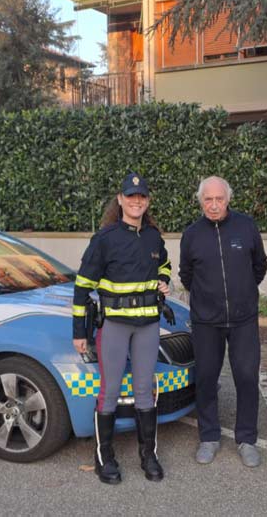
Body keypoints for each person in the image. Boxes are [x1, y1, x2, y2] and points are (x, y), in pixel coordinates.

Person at [72, 172, 171, 485]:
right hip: (114, 326)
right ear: (120, 200)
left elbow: (164, 264)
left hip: (147, 326)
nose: (136, 201)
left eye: (141, 196)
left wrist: (165, 280)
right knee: (110, 391)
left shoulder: (154, 236)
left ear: (147, 201)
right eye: (131, 196)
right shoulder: (104, 239)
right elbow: (82, 287)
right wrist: (78, 332)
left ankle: (148, 455)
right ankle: (105, 458)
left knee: (144, 390)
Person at [179, 176, 267, 468]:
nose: (214, 205)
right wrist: (206, 299)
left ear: (228, 199)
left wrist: (242, 294)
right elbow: (186, 274)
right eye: (208, 200)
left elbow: (260, 266)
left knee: (246, 377)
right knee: (205, 378)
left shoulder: (246, 226)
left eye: (219, 199)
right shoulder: (191, 234)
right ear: (200, 201)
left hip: (243, 319)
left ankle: (246, 439)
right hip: (206, 321)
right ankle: (209, 436)